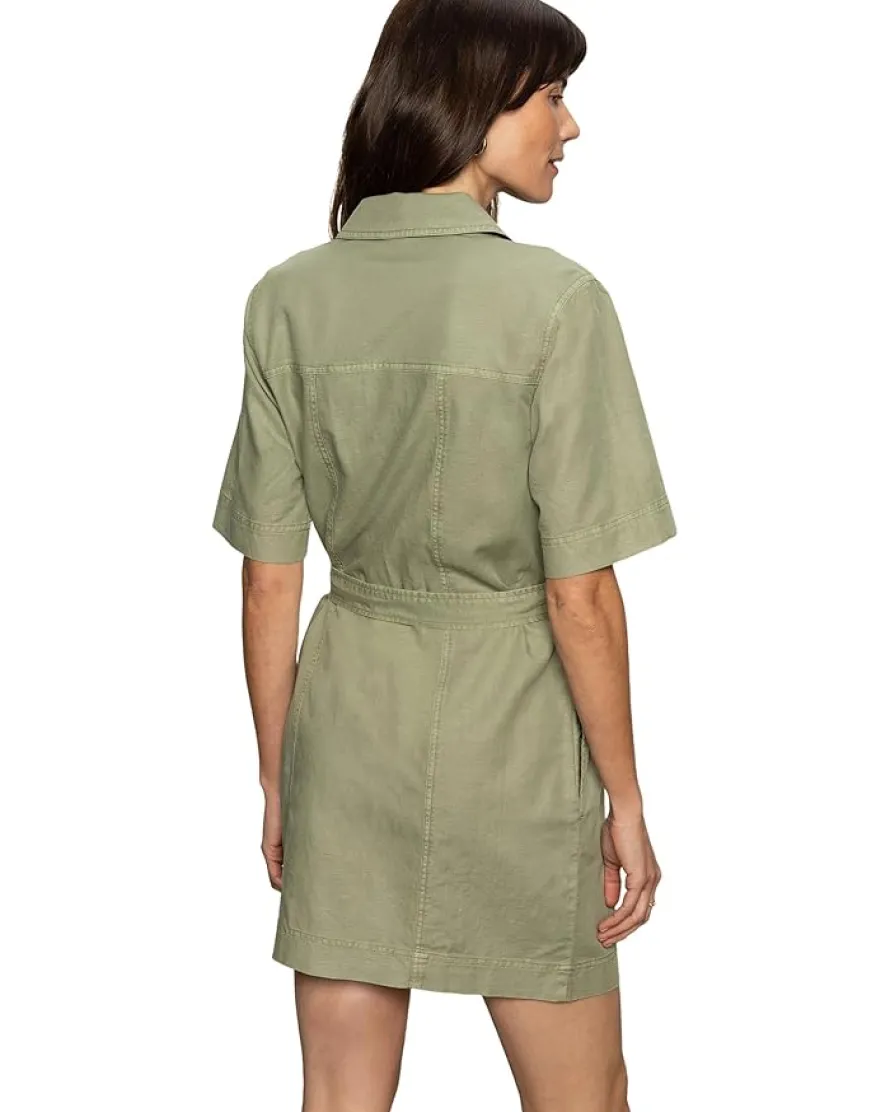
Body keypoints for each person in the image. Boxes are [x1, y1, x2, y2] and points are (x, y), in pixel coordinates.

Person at [211, 0, 677, 1108]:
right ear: (474, 104)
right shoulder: (557, 303)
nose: (570, 126)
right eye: (552, 95)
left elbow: (269, 578)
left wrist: (280, 779)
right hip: (513, 740)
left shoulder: (287, 299)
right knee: (584, 1097)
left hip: (347, 734)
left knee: (339, 1094)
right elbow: (580, 595)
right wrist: (624, 797)